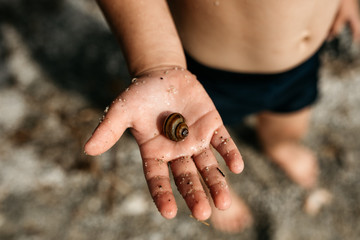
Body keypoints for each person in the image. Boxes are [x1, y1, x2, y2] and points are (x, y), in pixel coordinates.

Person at [84, 0, 360, 233]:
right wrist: (156, 61)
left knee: (288, 122)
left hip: (301, 64)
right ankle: (220, 187)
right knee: (209, 139)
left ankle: (280, 145)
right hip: (209, 75)